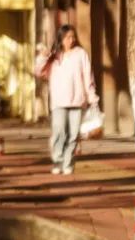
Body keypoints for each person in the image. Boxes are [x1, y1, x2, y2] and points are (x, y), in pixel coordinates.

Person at [34, 25, 98, 175]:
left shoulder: (81, 54)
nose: (71, 40)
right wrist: (43, 56)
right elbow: (39, 71)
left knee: (74, 134)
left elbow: (88, 77)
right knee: (59, 131)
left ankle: (68, 162)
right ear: (61, 39)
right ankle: (58, 160)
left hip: (77, 101)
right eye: (68, 37)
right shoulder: (54, 56)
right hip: (58, 102)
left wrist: (92, 98)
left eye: (73, 37)